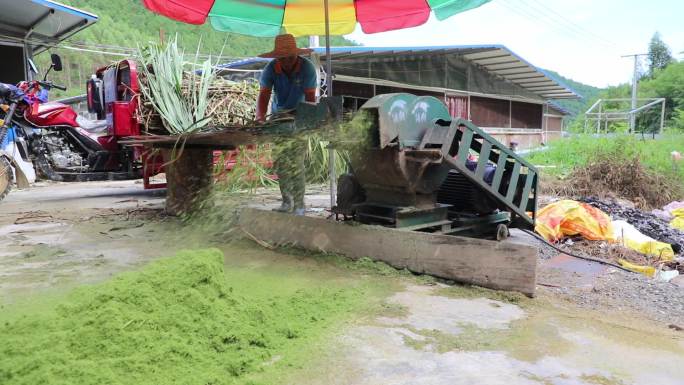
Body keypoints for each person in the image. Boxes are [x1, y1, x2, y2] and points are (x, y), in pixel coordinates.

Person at [256, 34, 317, 216]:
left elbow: (311, 100)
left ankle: (299, 204)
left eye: (291, 57)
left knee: (296, 163)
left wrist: (307, 123)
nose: (288, 62)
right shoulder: (271, 69)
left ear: (296, 55)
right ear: (278, 58)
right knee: (281, 163)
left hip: (299, 116)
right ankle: (286, 202)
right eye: (284, 58)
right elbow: (264, 96)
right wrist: (260, 119)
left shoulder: (307, 69)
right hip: (278, 118)